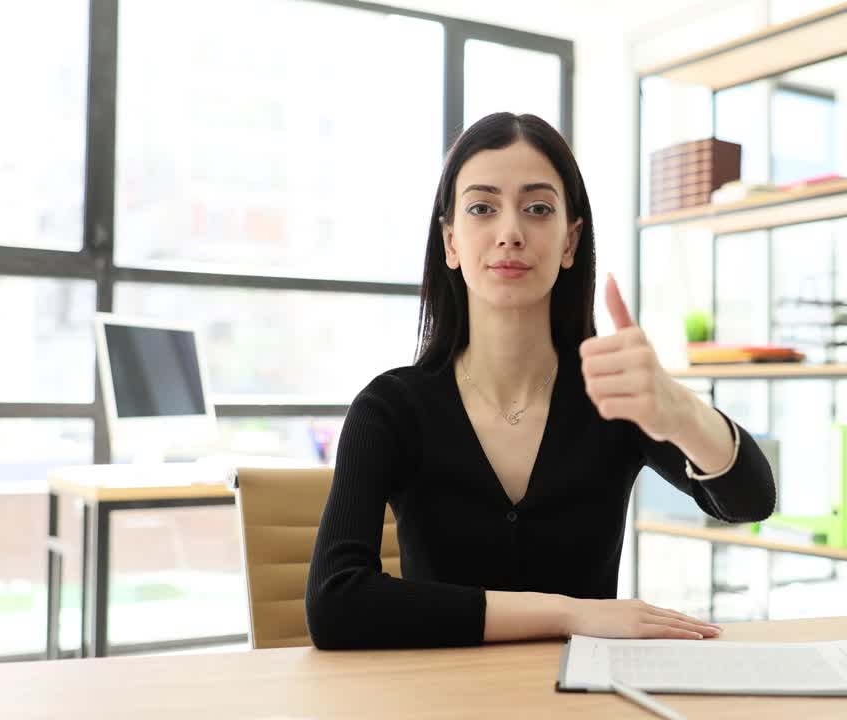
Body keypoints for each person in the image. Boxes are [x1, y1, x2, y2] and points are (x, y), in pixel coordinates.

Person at [306, 112, 776, 650]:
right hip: (438, 698)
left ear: (570, 241)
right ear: (451, 241)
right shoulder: (391, 407)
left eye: (537, 209)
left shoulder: (612, 395)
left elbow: (750, 500)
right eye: (482, 208)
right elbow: (336, 603)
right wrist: (567, 614)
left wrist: (678, 408)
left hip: (588, 701)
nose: (510, 233)